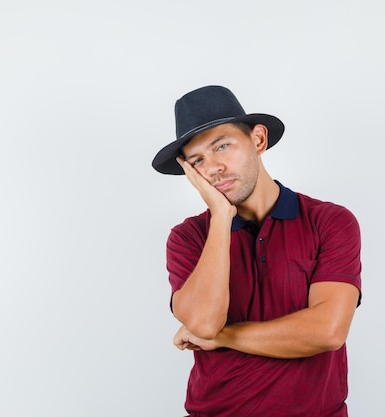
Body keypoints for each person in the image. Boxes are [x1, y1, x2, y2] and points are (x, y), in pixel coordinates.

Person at [152, 85, 362, 417]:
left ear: (258, 140)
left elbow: (327, 331)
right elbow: (205, 324)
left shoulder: (330, 221)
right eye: (198, 161)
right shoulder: (188, 238)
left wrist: (224, 337)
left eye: (222, 146)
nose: (213, 167)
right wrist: (221, 219)